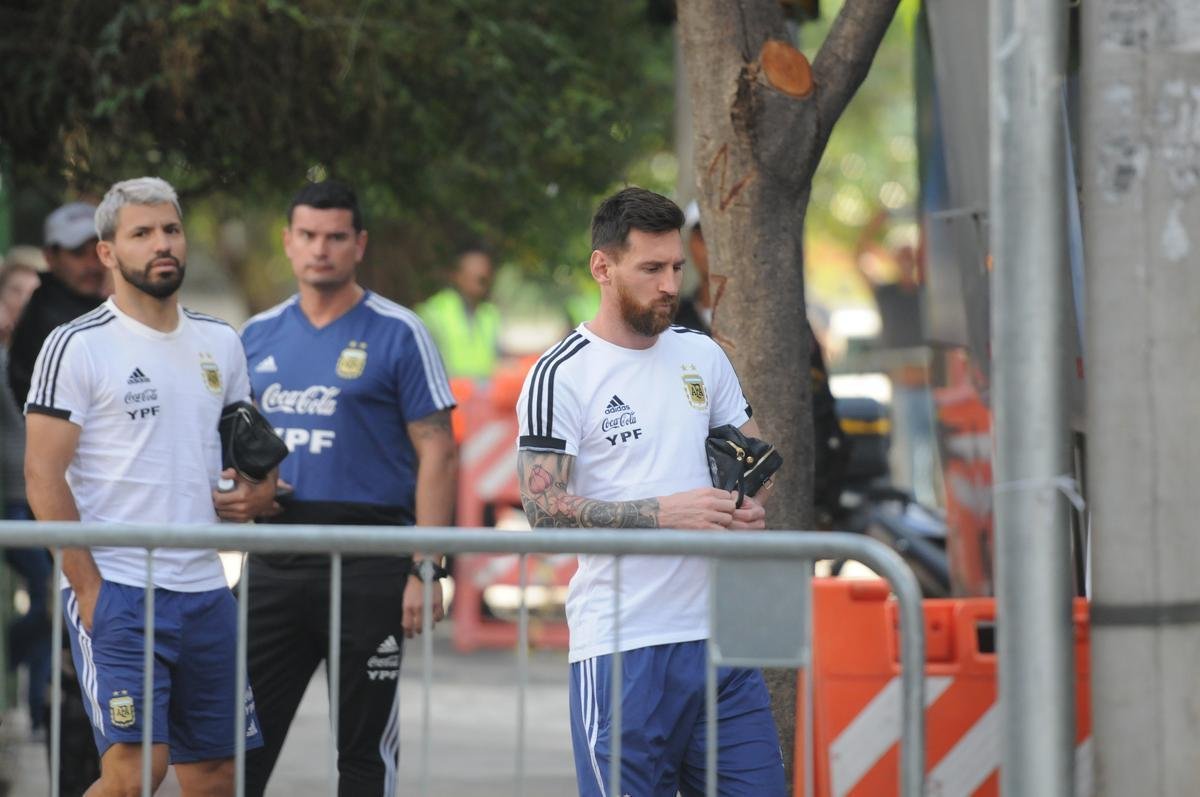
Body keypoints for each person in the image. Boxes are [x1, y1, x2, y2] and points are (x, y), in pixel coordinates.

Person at [516, 187, 786, 796]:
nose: (669, 284)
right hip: (624, 648)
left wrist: (749, 503)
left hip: (722, 642)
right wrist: (665, 513)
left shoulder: (701, 353)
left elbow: (755, 454)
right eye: (651, 269)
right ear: (602, 267)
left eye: (676, 268)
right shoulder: (560, 373)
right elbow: (543, 509)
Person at [23, 177, 274, 794]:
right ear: (107, 252)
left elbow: (249, 454)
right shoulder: (75, 345)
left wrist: (260, 492)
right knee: (136, 774)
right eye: (141, 233)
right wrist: (88, 590)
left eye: (171, 230)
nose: (162, 244)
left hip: (208, 590)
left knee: (216, 774)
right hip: (120, 589)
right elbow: (42, 475)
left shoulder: (221, 340)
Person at [239, 179, 458, 795]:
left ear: (359, 244)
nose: (321, 249)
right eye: (308, 235)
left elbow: (438, 451)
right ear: (288, 242)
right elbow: (229, 449)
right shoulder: (254, 336)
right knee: (234, 747)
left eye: (336, 237)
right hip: (275, 557)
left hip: (370, 561)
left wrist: (427, 567)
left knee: (364, 756)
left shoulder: (399, 331)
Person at [8, 202, 108, 409]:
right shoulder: (48, 319)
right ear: (50, 257)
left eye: (98, 252)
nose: (92, 264)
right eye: (78, 253)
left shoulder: (97, 306)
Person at [417, 245, 501, 380]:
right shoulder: (434, 311)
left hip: (484, 398)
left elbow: (497, 361)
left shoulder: (490, 315)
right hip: (447, 397)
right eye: (473, 270)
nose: (481, 275)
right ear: (457, 275)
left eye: (484, 271)